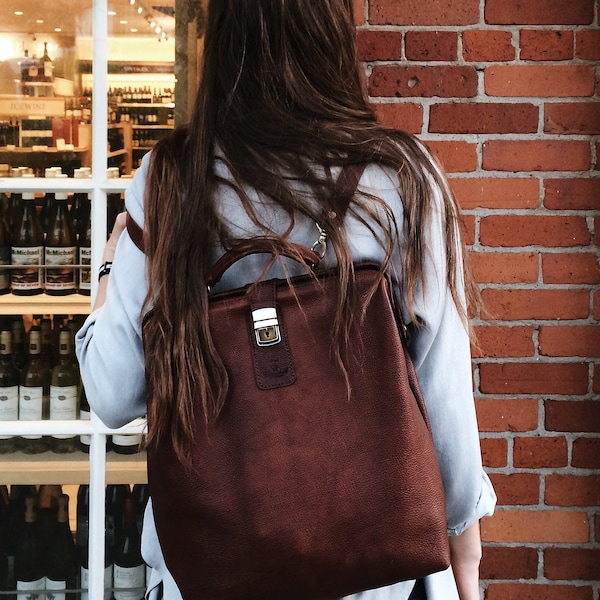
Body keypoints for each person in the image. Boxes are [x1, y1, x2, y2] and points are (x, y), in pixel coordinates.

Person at [76, 0, 496, 598]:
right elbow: (442, 390)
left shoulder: (170, 179)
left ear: (219, 44)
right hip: (374, 568)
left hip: (212, 565)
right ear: (330, 37)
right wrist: (465, 554)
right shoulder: (399, 178)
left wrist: (112, 265)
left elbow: (114, 394)